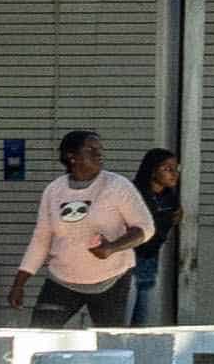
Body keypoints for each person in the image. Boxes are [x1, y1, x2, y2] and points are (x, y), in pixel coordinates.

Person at [14, 130, 155, 329]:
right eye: (91, 149)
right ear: (71, 156)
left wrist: (112, 247)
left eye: (100, 149)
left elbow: (146, 228)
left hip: (111, 279)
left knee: (109, 344)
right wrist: (20, 282)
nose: (99, 154)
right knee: (39, 334)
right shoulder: (54, 190)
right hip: (62, 279)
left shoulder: (117, 186)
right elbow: (41, 239)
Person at [125, 146, 185, 325]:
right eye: (167, 169)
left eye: (177, 169)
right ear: (152, 170)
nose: (174, 174)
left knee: (142, 319)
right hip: (128, 261)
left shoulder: (170, 198)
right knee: (123, 319)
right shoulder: (134, 194)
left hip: (150, 260)